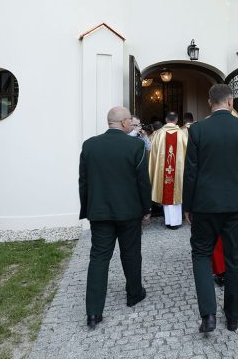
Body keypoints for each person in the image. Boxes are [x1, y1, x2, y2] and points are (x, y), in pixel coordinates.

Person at [183, 84, 238, 333]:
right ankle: (233, 317)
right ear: (230, 102)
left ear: (209, 102)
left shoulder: (197, 130)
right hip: (236, 204)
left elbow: (191, 172)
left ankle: (208, 315)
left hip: (205, 204)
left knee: (201, 255)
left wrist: (188, 205)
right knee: (235, 258)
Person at [78, 107, 152, 330]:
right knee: (131, 253)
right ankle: (134, 294)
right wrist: (146, 207)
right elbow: (142, 181)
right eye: (130, 119)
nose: (132, 123)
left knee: (99, 258)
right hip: (129, 212)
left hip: (99, 212)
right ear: (122, 122)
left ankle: (93, 312)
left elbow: (83, 181)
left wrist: (87, 209)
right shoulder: (135, 146)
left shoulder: (90, 145)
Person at [149, 112, 187, 229]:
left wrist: (153, 170)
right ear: (176, 120)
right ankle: (176, 221)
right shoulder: (182, 134)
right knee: (176, 191)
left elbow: (153, 155)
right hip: (179, 172)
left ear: (166, 120)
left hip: (163, 172)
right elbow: (188, 154)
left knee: (166, 191)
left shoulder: (158, 134)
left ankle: (169, 221)